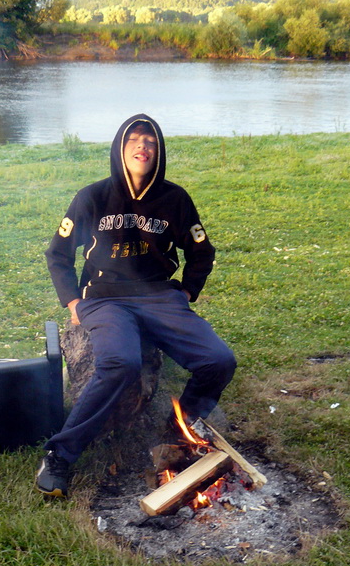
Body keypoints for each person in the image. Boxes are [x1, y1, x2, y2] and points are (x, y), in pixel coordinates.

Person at [36, 114, 236, 497]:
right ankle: (59, 454)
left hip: (160, 296)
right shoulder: (92, 197)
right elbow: (58, 253)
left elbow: (202, 252)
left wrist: (187, 292)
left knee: (219, 360)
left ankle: (179, 430)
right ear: (120, 148)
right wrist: (73, 301)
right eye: (134, 140)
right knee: (121, 364)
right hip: (105, 298)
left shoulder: (175, 199)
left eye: (150, 141)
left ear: (159, 152)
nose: (142, 146)